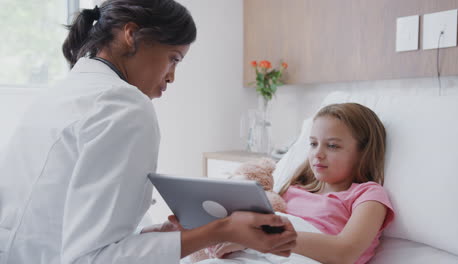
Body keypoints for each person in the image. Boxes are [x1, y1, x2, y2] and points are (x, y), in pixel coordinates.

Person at [0, 1, 296, 263]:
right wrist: (220, 230)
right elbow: (92, 259)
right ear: (131, 35)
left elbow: (66, 222)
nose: (172, 77)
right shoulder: (124, 105)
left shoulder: (62, 92)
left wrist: (152, 238)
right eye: (173, 58)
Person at [210, 103, 395, 264]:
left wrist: (257, 238)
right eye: (313, 144)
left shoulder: (368, 195)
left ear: (363, 152)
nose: (318, 154)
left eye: (332, 146)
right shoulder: (293, 189)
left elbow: (344, 253)